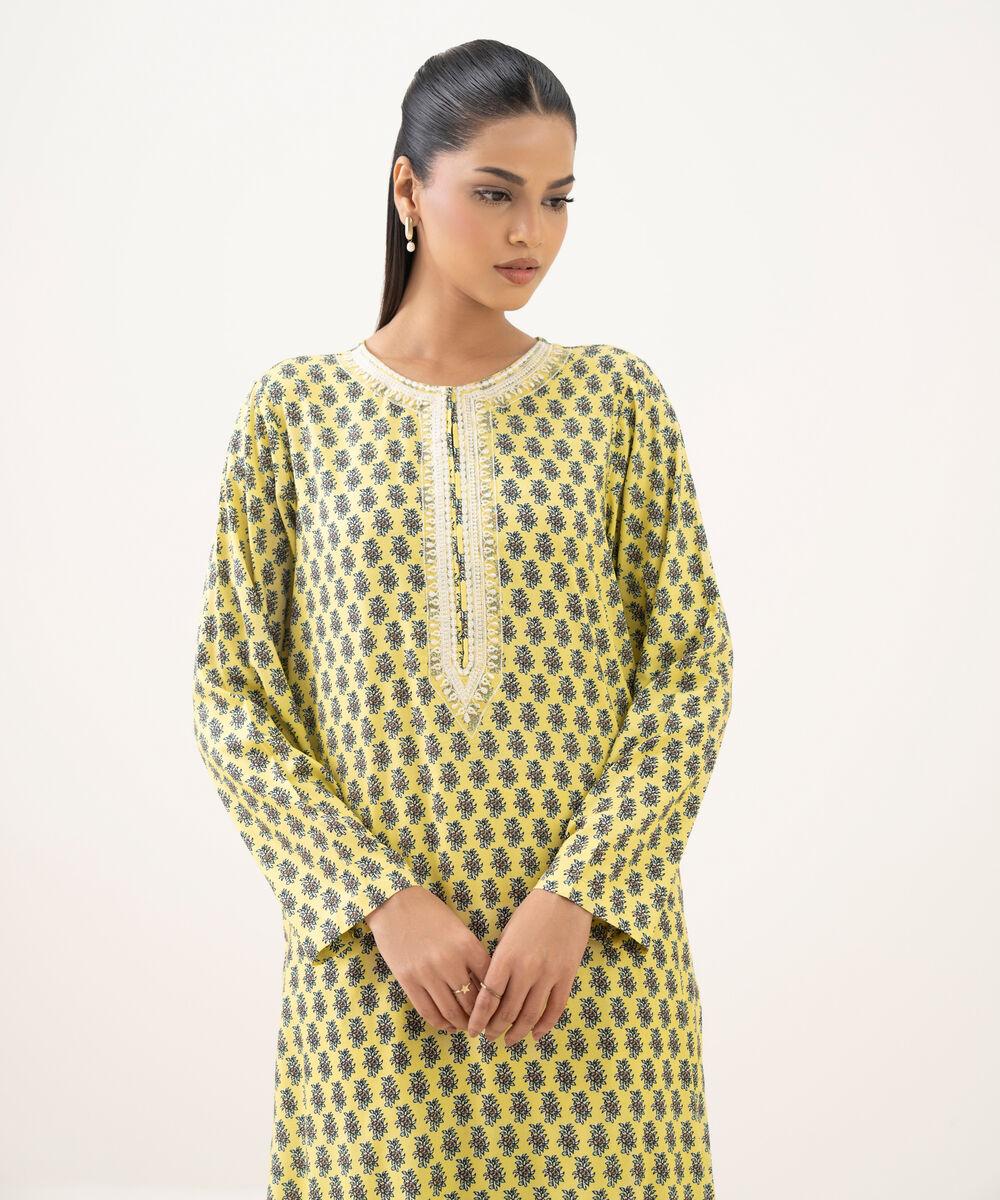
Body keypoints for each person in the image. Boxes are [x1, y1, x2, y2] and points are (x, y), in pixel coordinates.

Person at [192, 37, 735, 1200]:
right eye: (494, 193)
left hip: (592, 977)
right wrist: (375, 901)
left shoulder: (615, 401)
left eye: (556, 199)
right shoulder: (293, 414)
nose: (529, 232)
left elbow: (688, 668)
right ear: (409, 187)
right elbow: (232, 697)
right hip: (376, 981)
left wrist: (580, 893)